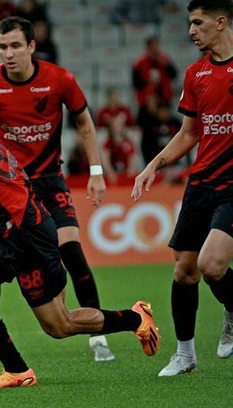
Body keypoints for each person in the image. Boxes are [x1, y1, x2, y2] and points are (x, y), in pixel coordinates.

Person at [0, 79, 160, 389]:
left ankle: (135, 318)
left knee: (59, 324)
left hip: (24, 233)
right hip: (5, 230)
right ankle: (18, 371)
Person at [0, 16, 114, 364]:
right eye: (3, 47)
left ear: (32, 46)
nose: (9, 53)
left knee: (72, 251)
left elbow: (84, 122)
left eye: (16, 46)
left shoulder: (59, 79)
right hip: (8, 187)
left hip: (49, 180)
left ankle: (98, 336)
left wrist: (96, 171)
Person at [131, 0, 233, 377]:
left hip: (232, 186)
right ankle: (186, 355)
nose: (190, 31)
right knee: (184, 271)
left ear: (220, 23)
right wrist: (154, 165)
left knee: (211, 264)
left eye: (197, 22)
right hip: (202, 181)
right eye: (190, 23)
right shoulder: (196, 74)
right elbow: (189, 133)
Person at [132, 36, 179, 110]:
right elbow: (136, 83)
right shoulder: (139, 63)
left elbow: (174, 75)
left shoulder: (165, 60)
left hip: (164, 99)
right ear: (148, 48)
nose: (155, 50)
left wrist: (167, 66)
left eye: (156, 47)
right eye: (153, 48)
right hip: (146, 101)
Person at [101, 116, 138, 184]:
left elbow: (132, 159)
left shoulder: (129, 142)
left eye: (119, 125)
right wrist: (110, 172)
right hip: (112, 174)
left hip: (126, 173)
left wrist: (130, 171)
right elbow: (105, 160)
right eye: (115, 125)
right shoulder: (108, 143)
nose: (117, 127)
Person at [110, 0, 179, 25]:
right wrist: (122, 20)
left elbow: (173, 5)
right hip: (134, 28)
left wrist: (170, 7)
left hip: (154, 26)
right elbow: (115, 13)